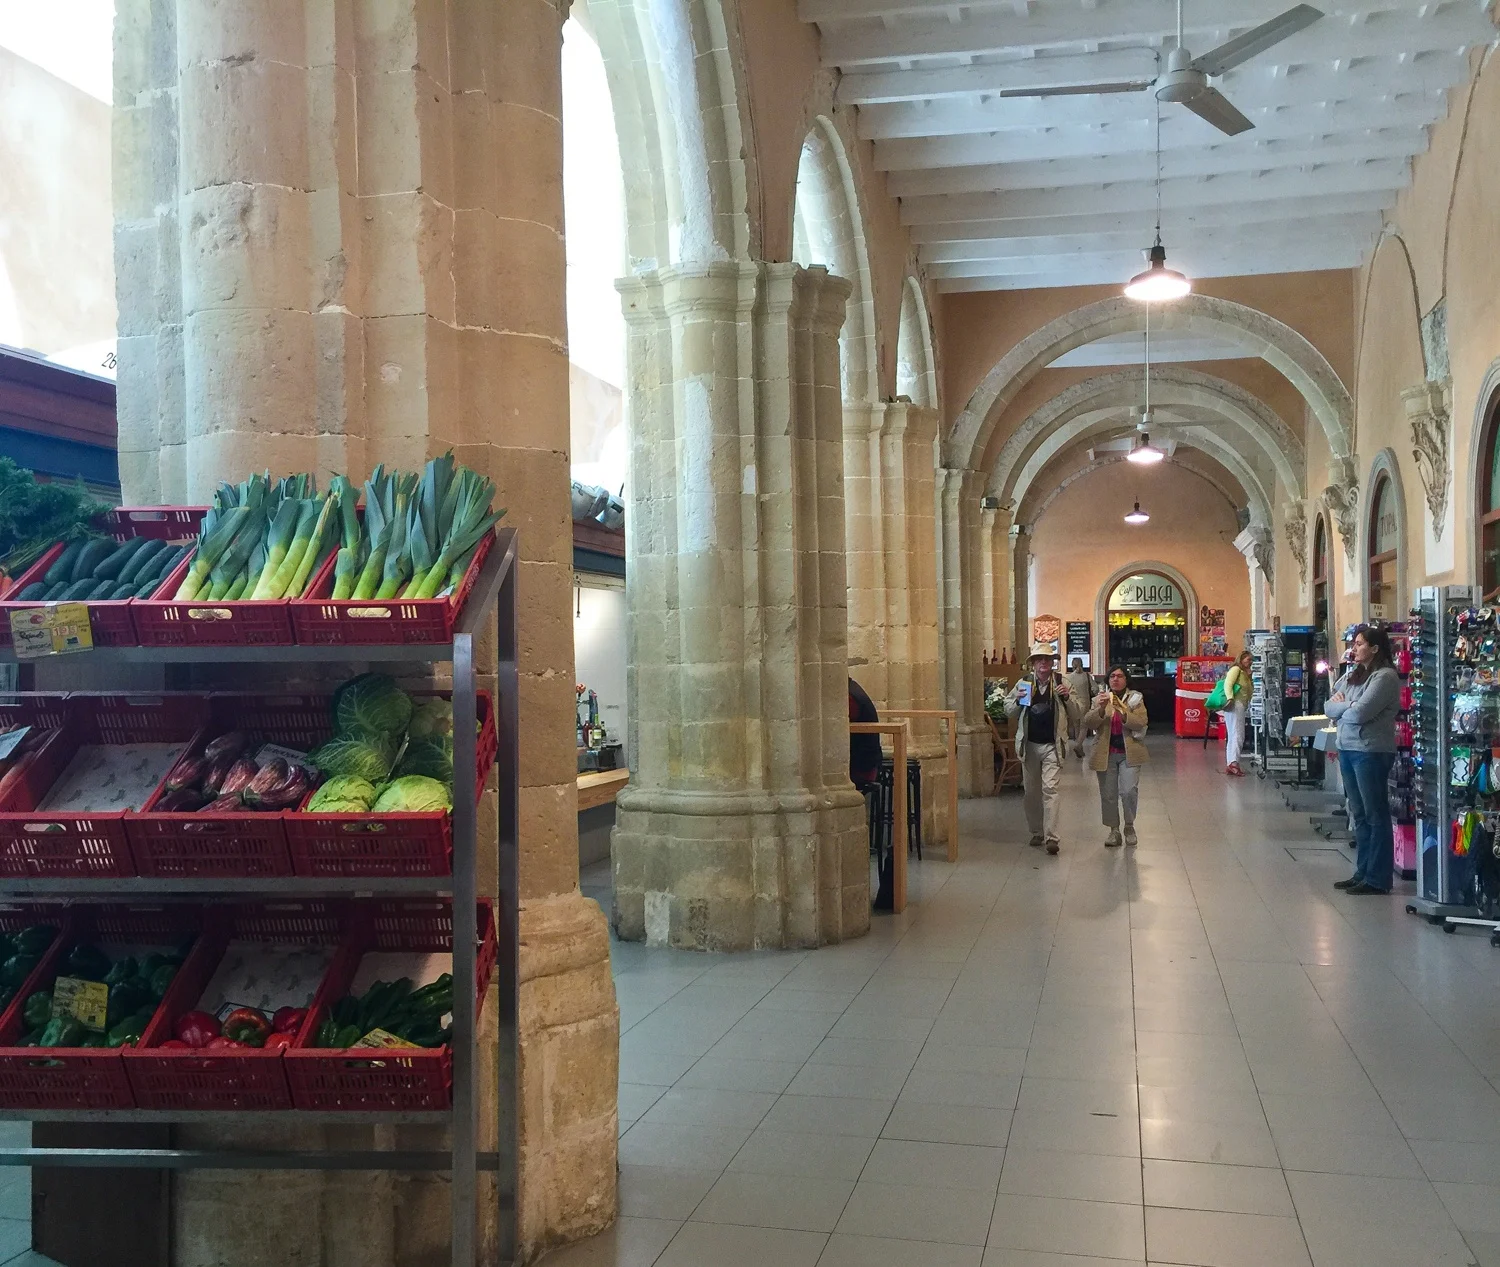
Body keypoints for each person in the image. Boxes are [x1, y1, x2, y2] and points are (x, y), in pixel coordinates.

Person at [1325, 626, 1401, 895]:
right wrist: (1348, 706)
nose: (1354, 648)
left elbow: (1360, 714)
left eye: (1359, 644)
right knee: (1358, 813)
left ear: (1375, 648)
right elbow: (1328, 707)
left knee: (1374, 814)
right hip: (1347, 748)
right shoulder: (1353, 675)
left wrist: (1346, 706)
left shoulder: (1386, 678)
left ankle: (1378, 878)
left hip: (1371, 752)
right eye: (1354, 643)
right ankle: (1363, 871)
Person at [1005, 643, 1083, 855]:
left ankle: (1052, 837)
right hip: (1029, 745)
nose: (1043, 663)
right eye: (1039, 659)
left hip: (1052, 745)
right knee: (1031, 792)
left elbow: (1078, 713)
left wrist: (1067, 697)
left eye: (1047, 660)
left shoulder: (1062, 683)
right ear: (1033, 663)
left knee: (1051, 789)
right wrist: (1019, 701)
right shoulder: (1024, 683)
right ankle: (1036, 831)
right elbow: (1008, 709)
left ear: (1052, 663)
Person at [1083, 665, 1150, 847]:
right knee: (1108, 794)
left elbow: (1141, 722)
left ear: (1126, 679)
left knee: (1129, 791)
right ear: (1107, 680)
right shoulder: (1101, 698)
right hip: (1106, 753)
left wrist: (1122, 712)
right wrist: (1101, 709)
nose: (1115, 679)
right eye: (1112, 676)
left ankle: (1129, 826)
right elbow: (1088, 721)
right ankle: (1113, 830)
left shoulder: (1135, 698)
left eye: (1120, 676)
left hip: (1130, 752)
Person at [1221, 649, 1254, 776]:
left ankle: (1231, 762)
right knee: (1238, 734)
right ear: (1241, 659)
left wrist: (1250, 677)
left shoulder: (1245, 673)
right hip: (1236, 704)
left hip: (1240, 704)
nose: (1250, 662)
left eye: (1251, 660)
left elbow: (1250, 691)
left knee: (1233, 734)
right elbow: (1228, 684)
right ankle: (1234, 763)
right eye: (1248, 659)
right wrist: (1230, 698)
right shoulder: (1236, 670)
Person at [1063, 658, 1094, 757]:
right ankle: (1078, 745)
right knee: (1084, 726)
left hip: (1074, 703)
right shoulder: (1086, 676)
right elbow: (1095, 688)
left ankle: (1079, 749)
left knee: (1076, 726)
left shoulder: (1068, 677)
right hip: (1085, 702)